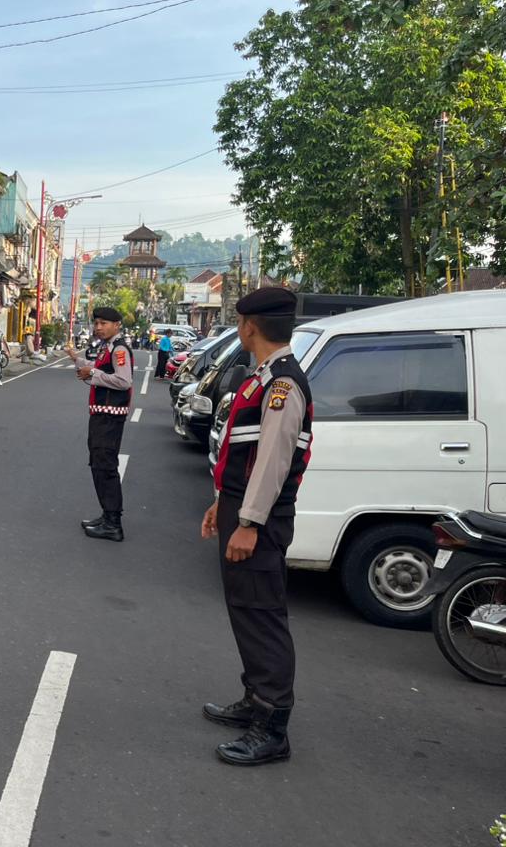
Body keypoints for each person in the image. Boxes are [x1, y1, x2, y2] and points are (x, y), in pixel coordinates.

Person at [200, 286, 312, 767]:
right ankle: (254, 700)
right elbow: (242, 453)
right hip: (240, 508)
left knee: (262, 615)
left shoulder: (282, 385)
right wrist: (221, 502)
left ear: (249, 326)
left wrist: (248, 522)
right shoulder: (262, 378)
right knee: (246, 608)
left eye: (240, 322)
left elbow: (272, 463)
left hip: (259, 519)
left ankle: (272, 727)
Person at [67, 307, 134, 542]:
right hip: (101, 415)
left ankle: (113, 523)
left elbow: (124, 381)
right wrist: (77, 360)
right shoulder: (108, 348)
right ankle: (107, 515)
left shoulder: (119, 349)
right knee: (98, 464)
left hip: (109, 417)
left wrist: (92, 373)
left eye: (104, 323)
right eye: (96, 323)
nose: (98, 327)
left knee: (105, 467)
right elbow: (99, 367)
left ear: (117, 325)